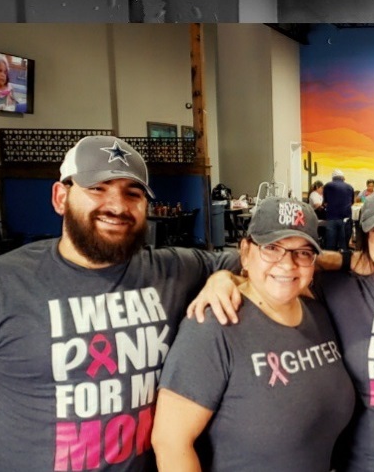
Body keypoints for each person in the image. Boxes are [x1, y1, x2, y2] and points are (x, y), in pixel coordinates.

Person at [0, 136, 242, 471]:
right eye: (97, 188)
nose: (117, 205)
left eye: (133, 192)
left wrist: (222, 278)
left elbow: (244, 261)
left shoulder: (172, 271)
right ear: (60, 197)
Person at [190, 186, 374, 472]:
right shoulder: (337, 292)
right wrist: (224, 277)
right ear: (364, 241)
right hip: (355, 464)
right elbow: (279, 276)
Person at [152, 197, 355, 471]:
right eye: (272, 248)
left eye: (303, 252)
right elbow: (170, 443)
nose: (287, 264)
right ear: (245, 252)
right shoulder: (214, 325)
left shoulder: (317, 311)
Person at [323, 169, 355, 251]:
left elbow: (325, 203)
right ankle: (345, 261)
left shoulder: (327, 186)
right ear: (343, 178)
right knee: (344, 246)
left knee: (330, 246)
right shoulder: (350, 187)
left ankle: (330, 261)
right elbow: (352, 203)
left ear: (333, 178)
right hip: (345, 219)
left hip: (331, 218)